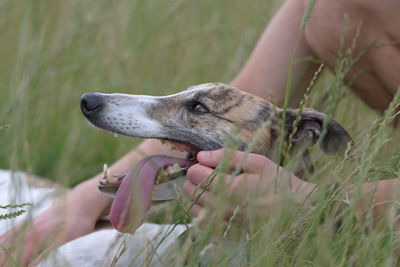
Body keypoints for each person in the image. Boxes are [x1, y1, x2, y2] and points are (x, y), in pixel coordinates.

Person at [1, 0, 399, 265]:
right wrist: (80, 202)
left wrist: (313, 204)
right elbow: (253, 90)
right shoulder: (325, 7)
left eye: (196, 108)